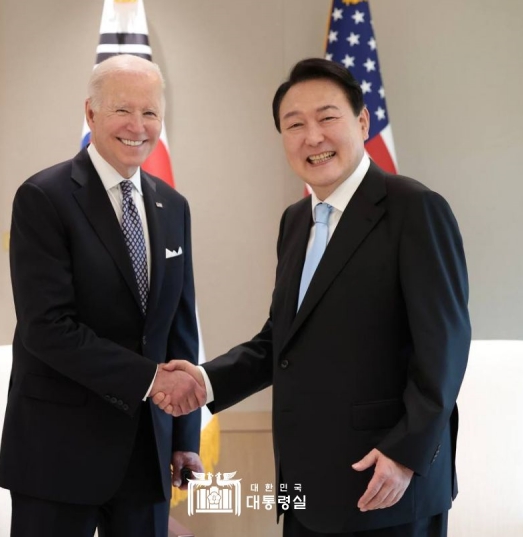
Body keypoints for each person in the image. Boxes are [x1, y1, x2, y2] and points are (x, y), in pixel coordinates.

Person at [159, 58, 471, 537]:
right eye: (295, 124)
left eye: (327, 118)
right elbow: (281, 343)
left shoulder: (414, 209)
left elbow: (444, 348)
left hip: (384, 484)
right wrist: (205, 381)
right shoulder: (296, 222)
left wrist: (406, 455)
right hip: (301, 490)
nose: (313, 136)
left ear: (362, 122)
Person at [0, 54, 205, 537]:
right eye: (122, 111)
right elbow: (46, 328)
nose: (138, 126)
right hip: (57, 455)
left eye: (151, 113)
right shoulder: (43, 197)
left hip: (147, 453)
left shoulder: (172, 206)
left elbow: (179, 325)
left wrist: (183, 437)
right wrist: (151, 382)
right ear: (90, 114)